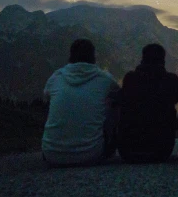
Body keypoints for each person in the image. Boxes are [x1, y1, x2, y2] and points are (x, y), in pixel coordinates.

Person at [42, 38, 120, 166]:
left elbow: (46, 100)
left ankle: (54, 139)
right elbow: (119, 96)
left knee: (51, 102)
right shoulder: (105, 78)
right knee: (113, 100)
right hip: (92, 154)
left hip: (51, 155)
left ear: (70, 56)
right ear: (93, 57)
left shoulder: (55, 77)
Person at [116, 43, 178, 163]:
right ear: (163, 60)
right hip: (162, 151)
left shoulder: (130, 79)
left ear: (142, 59)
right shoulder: (171, 80)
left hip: (128, 151)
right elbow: (176, 99)